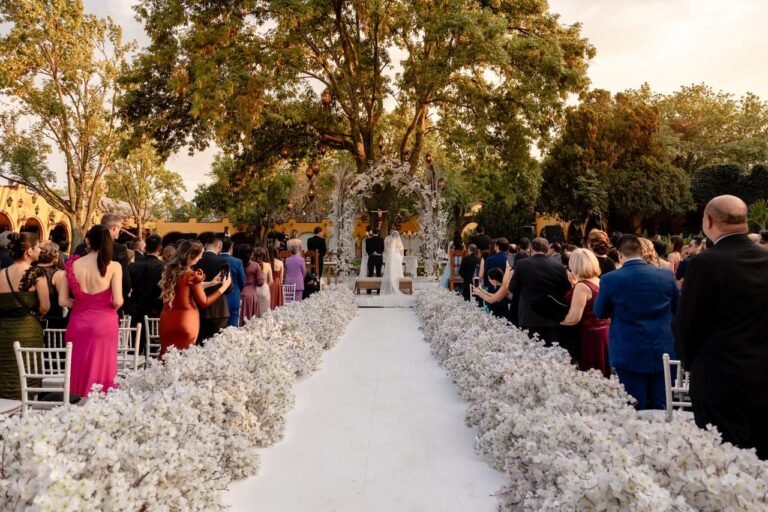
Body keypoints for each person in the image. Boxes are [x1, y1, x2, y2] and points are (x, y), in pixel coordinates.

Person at [673, 195, 768, 459]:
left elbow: (686, 324)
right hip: (763, 380)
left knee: (724, 463)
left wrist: (692, 364)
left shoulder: (705, 263)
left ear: (709, 221)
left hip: (719, 381)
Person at [593, 234, 678, 410]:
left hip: (628, 349)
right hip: (663, 347)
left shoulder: (610, 279)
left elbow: (599, 312)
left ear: (619, 254)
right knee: (663, 406)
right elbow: (677, 308)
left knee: (634, 406)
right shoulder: (666, 275)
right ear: (641, 252)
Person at [58, 225, 122, 397]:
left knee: (77, 365)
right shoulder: (114, 266)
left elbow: (62, 301)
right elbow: (118, 301)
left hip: (79, 322)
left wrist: (84, 305)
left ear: (87, 240)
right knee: (104, 367)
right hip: (105, 324)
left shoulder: (72, 265)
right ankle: (101, 404)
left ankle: (75, 401)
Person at [158, 240, 230, 357]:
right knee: (184, 357)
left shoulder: (171, 271)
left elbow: (185, 288)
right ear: (192, 256)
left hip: (167, 318)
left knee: (166, 356)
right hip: (187, 319)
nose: (201, 258)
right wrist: (223, 288)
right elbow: (204, 302)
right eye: (200, 255)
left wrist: (211, 283)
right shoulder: (191, 275)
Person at [0, 233, 49, 399]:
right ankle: (26, 406)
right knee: (28, 368)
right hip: (28, 330)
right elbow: (45, 306)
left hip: (4, 331)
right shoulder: (36, 273)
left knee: (5, 369)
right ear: (29, 251)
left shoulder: (1, 274)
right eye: (38, 247)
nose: (40, 250)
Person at [509, 238, 571, 345]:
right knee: (553, 353)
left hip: (528, 316)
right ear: (547, 250)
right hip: (551, 316)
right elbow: (565, 289)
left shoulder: (521, 265)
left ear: (531, 249)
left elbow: (513, 287)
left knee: (530, 352)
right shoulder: (559, 267)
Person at [561, 249, 610, 378]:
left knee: (591, 375)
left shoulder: (582, 287)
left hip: (589, 336)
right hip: (605, 333)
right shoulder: (600, 281)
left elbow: (574, 318)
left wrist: (557, 321)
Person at [74, 213, 131, 305]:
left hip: (80, 304)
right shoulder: (119, 249)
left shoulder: (80, 247)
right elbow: (125, 283)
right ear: (114, 228)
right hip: (107, 304)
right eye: (120, 230)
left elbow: (70, 276)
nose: (119, 233)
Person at [126, 234, 165, 346]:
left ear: (145, 248)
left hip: (135, 306)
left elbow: (128, 287)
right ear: (160, 249)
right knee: (153, 343)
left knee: (135, 343)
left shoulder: (133, 266)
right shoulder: (163, 267)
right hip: (155, 308)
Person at [194, 237, 230, 344]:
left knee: (199, 341)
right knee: (216, 343)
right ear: (219, 247)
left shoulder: (196, 260)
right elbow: (228, 286)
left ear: (205, 245)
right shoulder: (222, 261)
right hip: (219, 308)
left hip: (198, 306)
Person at [36, 242, 68, 329]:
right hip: (54, 320)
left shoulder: (29, 271)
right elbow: (63, 299)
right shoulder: (59, 274)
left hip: (34, 318)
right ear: (55, 257)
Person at [480, 238, 510, 317]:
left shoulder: (490, 259)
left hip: (491, 289)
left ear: (497, 246)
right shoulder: (509, 260)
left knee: (491, 316)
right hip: (505, 292)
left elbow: (486, 277)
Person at [219, 238, 246, 327]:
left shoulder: (216, 259)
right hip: (234, 297)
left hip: (218, 298)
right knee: (232, 327)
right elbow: (243, 281)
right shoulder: (237, 262)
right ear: (231, 247)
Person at [380, 231, 405, 295]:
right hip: (397, 257)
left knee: (391, 269)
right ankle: (398, 285)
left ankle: (392, 283)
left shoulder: (391, 241)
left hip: (392, 257)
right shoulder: (399, 241)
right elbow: (402, 251)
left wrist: (389, 255)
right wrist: (401, 258)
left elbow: (389, 251)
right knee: (397, 269)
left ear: (392, 236)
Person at [365, 228, 385, 293]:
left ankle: (369, 290)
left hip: (371, 258)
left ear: (372, 233)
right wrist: (378, 252)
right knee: (378, 274)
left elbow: (367, 249)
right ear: (378, 233)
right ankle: (378, 290)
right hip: (379, 258)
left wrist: (372, 252)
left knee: (370, 274)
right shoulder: (381, 240)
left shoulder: (368, 240)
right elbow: (382, 249)